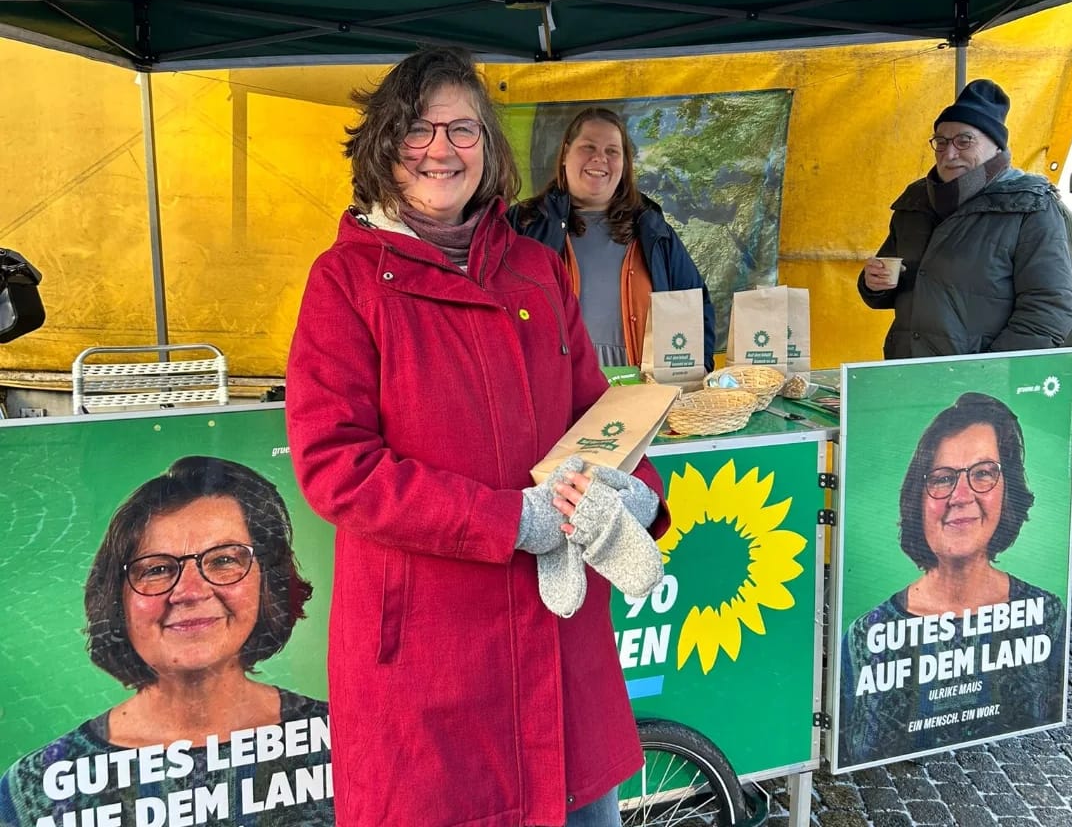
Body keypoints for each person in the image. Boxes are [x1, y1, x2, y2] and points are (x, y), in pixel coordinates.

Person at [285, 47, 669, 827]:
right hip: (432, 654)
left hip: (559, 644)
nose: (440, 149)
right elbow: (338, 467)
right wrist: (508, 520)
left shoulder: (534, 269)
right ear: (385, 147)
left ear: (489, 149)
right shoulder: (345, 282)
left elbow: (599, 417)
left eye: (463, 129)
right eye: (418, 130)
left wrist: (634, 488)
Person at [0, 455, 332, 827]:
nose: (190, 592)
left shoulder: (343, 741)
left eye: (224, 560)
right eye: (157, 569)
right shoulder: (36, 790)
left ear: (267, 582)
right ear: (117, 600)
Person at [838, 393, 1066, 766]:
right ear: (918, 499)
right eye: (943, 479)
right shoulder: (868, 636)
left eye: (983, 473)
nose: (961, 496)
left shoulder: (1047, 616)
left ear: (1008, 490)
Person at [858, 79, 1072, 358]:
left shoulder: (1030, 208)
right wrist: (873, 284)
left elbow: (1049, 310)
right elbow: (895, 284)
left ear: (995, 146)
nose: (949, 153)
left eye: (964, 141)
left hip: (981, 380)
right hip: (908, 369)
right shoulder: (915, 203)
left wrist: (987, 372)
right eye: (941, 141)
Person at [507, 106, 715, 370]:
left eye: (612, 151)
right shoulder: (524, 223)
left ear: (624, 163)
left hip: (640, 397)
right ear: (565, 153)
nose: (600, 159)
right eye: (589, 147)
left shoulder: (652, 229)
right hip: (554, 396)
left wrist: (697, 374)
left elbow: (695, 306)